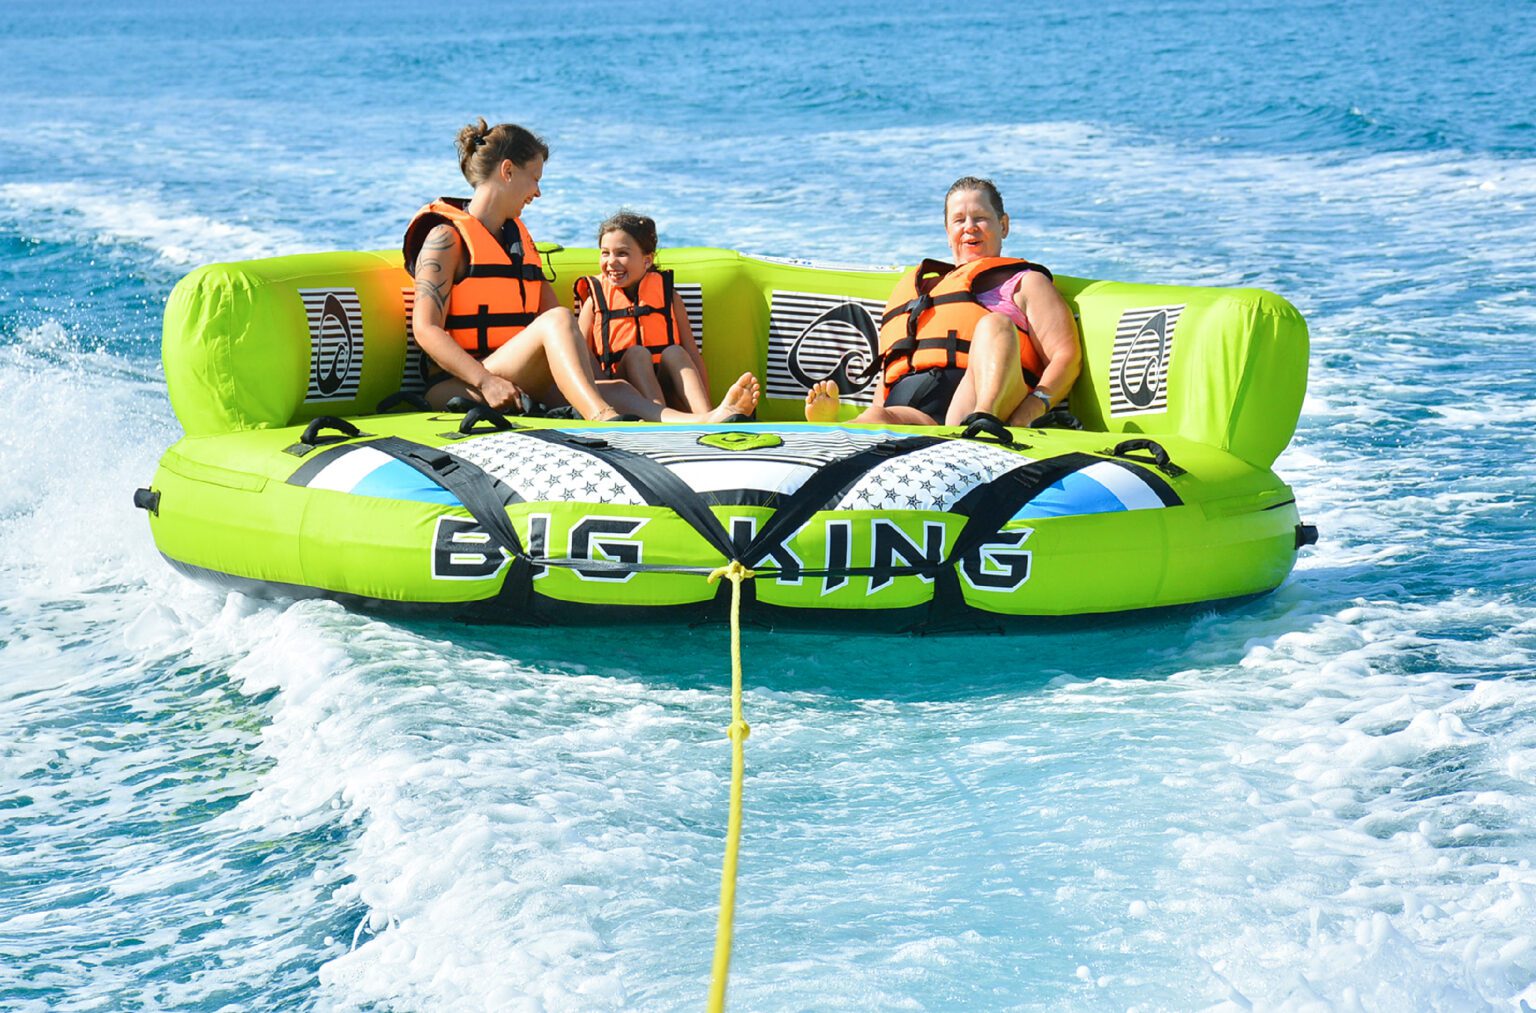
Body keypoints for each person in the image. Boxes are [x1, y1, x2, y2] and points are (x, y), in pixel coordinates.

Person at [404, 119, 757, 422]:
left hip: (515, 376)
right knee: (559, 319)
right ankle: (604, 420)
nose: (538, 192)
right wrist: (485, 381)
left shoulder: (518, 243)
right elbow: (426, 328)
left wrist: (600, 379)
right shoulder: (445, 238)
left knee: (615, 386)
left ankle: (702, 420)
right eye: (534, 178)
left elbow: (556, 325)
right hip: (461, 383)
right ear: (508, 171)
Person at [805, 176, 1079, 428]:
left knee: (995, 324)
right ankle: (834, 429)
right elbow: (893, 365)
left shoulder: (1025, 283)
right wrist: (879, 407)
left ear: (1003, 225)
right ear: (948, 231)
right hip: (915, 411)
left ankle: (983, 421)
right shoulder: (919, 293)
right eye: (959, 220)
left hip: (978, 394)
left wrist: (1032, 408)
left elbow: (1065, 356)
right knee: (875, 418)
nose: (969, 227)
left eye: (980, 217)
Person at [573, 211, 713, 414]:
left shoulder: (669, 297)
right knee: (637, 354)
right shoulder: (594, 300)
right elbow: (579, 355)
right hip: (624, 397)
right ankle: (659, 418)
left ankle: (708, 417)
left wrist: (707, 397)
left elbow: (692, 355)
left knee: (676, 352)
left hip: (667, 390)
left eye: (622, 253)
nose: (611, 261)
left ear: (647, 260)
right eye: (605, 253)